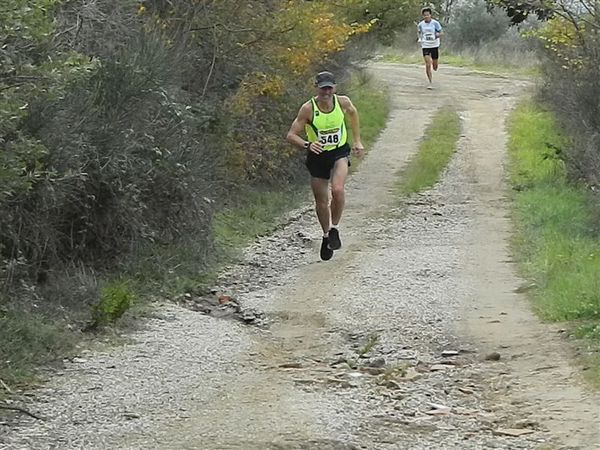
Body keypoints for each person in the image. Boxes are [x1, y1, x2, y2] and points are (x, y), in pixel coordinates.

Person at [286, 71, 364, 261]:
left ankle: (334, 227)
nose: (326, 92)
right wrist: (307, 144)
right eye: (323, 88)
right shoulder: (308, 109)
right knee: (321, 201)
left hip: (339, 152)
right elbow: (291, 135)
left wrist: (357, 141)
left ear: (335, 88)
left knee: (337, 190)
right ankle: (326, 234)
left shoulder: (343, 102)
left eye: (330, 88)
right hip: (317, 156)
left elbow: (353, 114)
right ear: (317, 88)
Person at [417, 7, 443, 89]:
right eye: (424, 15)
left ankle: (435, 64)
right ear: (422, 16)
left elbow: (442, 32)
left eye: (427, 15)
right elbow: (419, 32)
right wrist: (420, 39)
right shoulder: (420, 24)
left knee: (434, 66)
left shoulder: (435, 23)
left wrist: (437, 35)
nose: (426, 17)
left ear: (430, 15)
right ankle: (430, 82)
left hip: (434, 45)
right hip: (426, 45)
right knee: (428, 64)